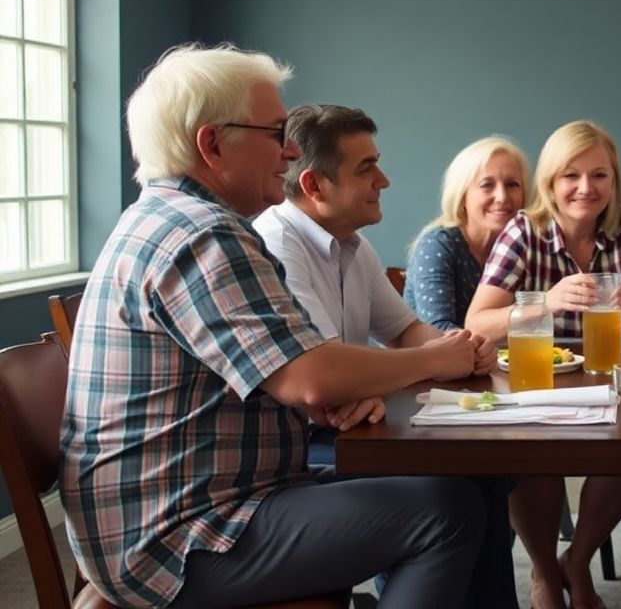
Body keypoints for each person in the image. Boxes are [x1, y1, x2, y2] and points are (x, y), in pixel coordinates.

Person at [59, 44, 487, 609]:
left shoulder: (164, 217)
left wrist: (328, 391)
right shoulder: (203, 234)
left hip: (192, 505)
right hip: (179, 537)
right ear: (212, 144)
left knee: (458, 489)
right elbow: (313, 376)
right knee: (445, 514)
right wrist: (438, 358)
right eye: (275, 131)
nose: (289, 150)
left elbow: (289, 372)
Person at [252, 104, 513, 608]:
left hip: (341, 430)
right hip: (300, 452)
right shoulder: (276, 245)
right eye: (366, 168)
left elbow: (404, 331)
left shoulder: (352, 244)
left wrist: (460, 347)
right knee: (458, 489)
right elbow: (327, 382)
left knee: (487, 471)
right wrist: (422, 364)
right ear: (314, 185)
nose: (384, 180)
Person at [465, 120, 621, 609]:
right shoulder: (524, 231)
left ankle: (578, 557)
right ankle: (545, 573)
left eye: (599, 175)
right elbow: (478, 321)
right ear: (551, 181)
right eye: (571, 175)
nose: (585, 188)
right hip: (537, 380)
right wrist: (545, 303)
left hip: (607, 378)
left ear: (613, 181)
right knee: (534, 458)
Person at [404, 135, 530, 329]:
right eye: (487, 185)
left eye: (512, 184)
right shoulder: (438, 244)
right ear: (462, 196)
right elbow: (436, 329)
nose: (502, 197)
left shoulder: (525, 245)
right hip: (425, 358)